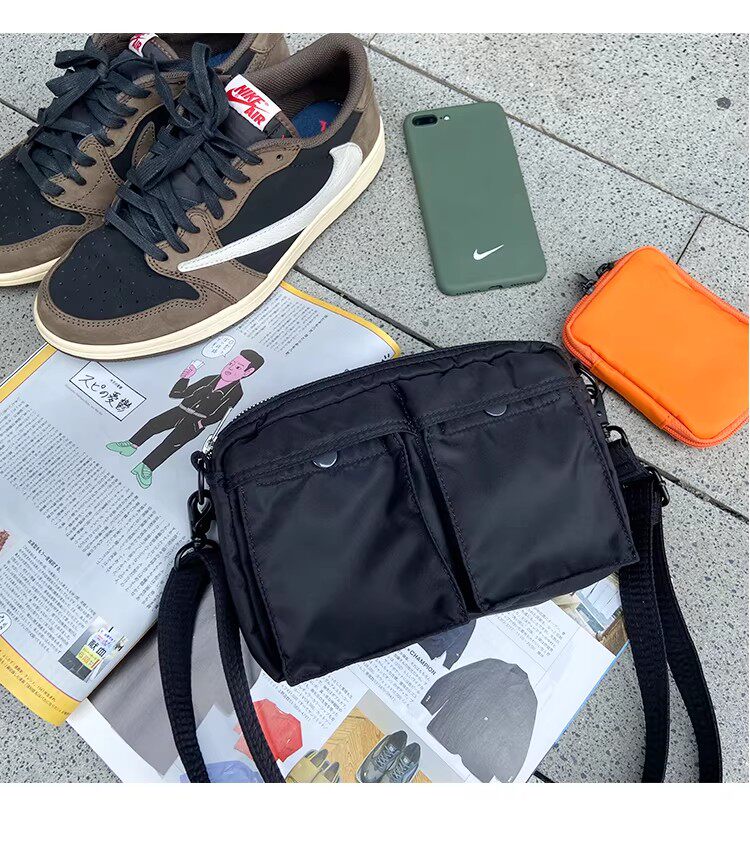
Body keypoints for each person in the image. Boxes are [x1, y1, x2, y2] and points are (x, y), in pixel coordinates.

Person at [106, 350, 264, 488]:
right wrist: (185, 378)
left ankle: (145, 468)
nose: (230, 368)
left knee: (171, 444)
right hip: (180, 410)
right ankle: (130, 445)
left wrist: (201, 424)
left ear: (247, 372)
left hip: (195, 422)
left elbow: (221, 414)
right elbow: (177, 394)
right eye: (231, 363)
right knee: (153, 424)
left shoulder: (237, 393)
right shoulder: (208, 379)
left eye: (238, 367)